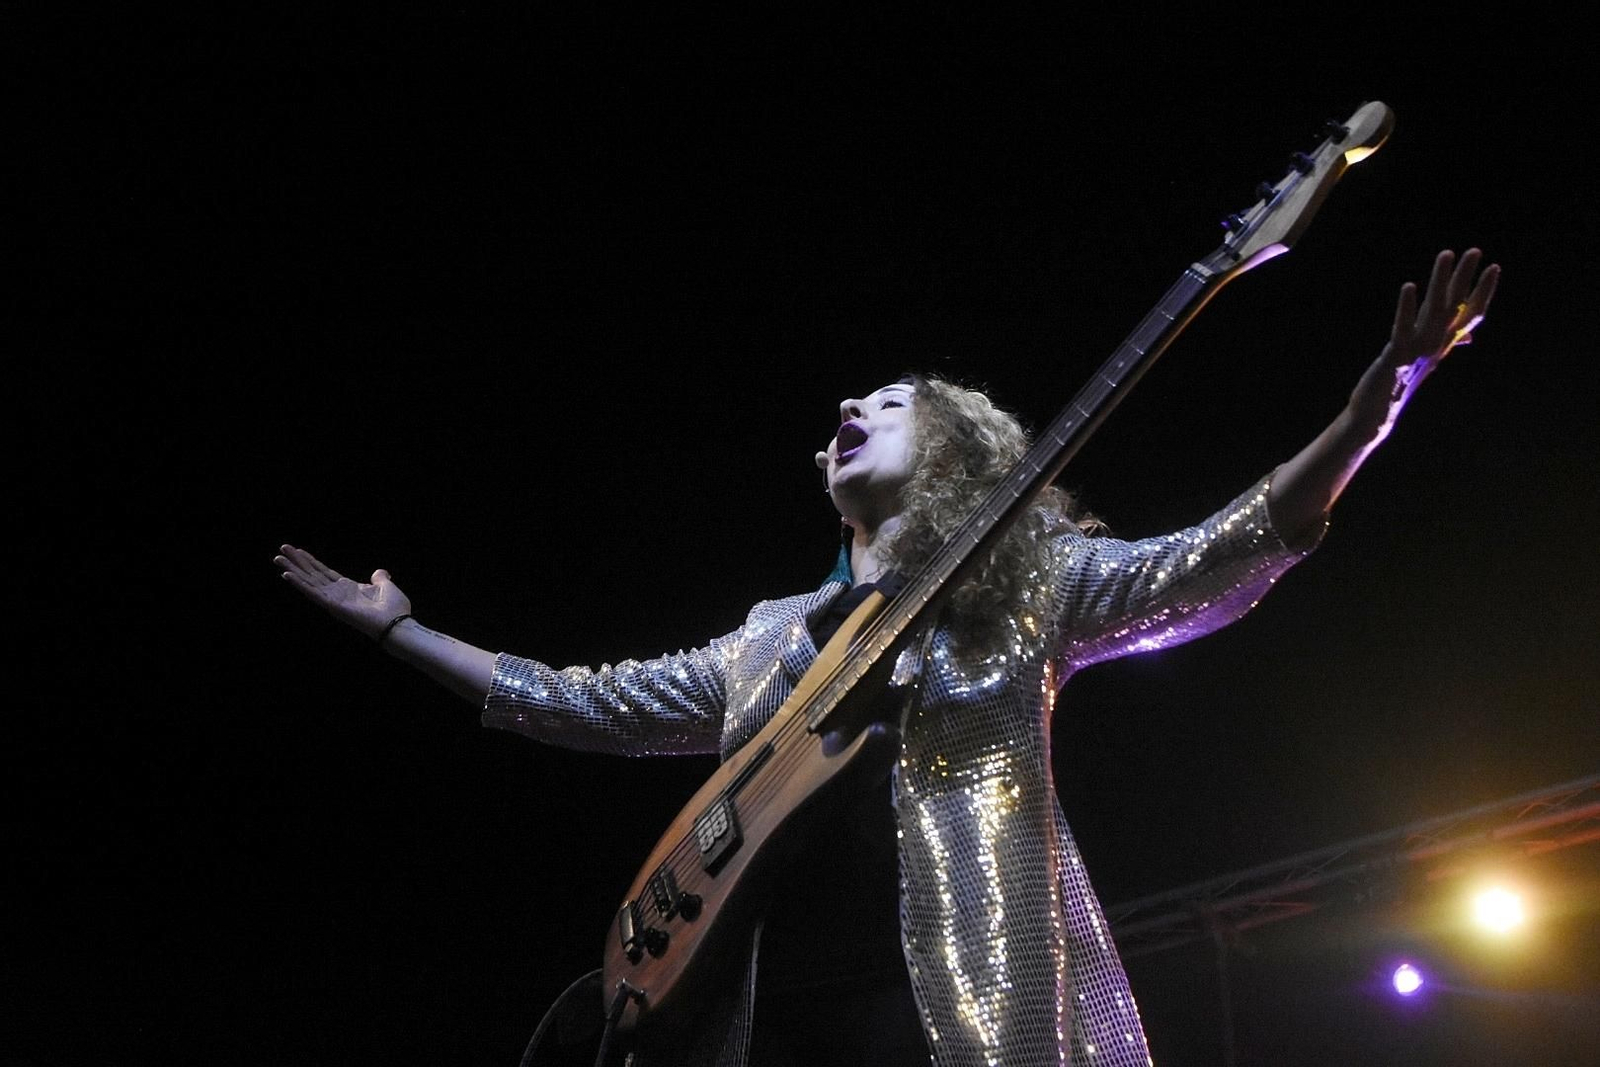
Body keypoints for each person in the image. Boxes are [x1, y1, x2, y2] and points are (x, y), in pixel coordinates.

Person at [276, 249, 1499, 1066]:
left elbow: (1216, 553)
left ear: (961, 447)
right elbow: (575, 700)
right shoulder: (766, 642)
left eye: (889, 401)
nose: (846, 414)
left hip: (951, 1012)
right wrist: (400, 630)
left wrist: (1372, 403)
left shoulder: (1027, 590)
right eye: (835, 419)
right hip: (760, 1020)